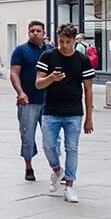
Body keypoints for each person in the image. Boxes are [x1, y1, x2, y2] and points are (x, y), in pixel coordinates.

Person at [35, 23, 95, 203]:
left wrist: (89, 118)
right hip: (51, 109)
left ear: (74, 41)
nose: (64, 45)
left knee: (72, 148)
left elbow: (88, 89)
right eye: (61, 41)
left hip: (74, 111)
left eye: (68, 42)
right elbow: (38, 84)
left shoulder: (82, 60)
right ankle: (56, 169)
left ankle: (69, 185)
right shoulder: (48, 56)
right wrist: (51, 78)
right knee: (48, 145)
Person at [10, 21, 54, 181]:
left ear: (44, 33)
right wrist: (20, 92)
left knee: (52, 138)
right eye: (32, 31)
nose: (35, 33)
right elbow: (14, 73)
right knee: (27, 136)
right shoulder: (21, 50)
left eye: (38, 31)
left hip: (49, 100)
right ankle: (28, 167)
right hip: (28, 100)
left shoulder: (51, 50)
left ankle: (55, 167)